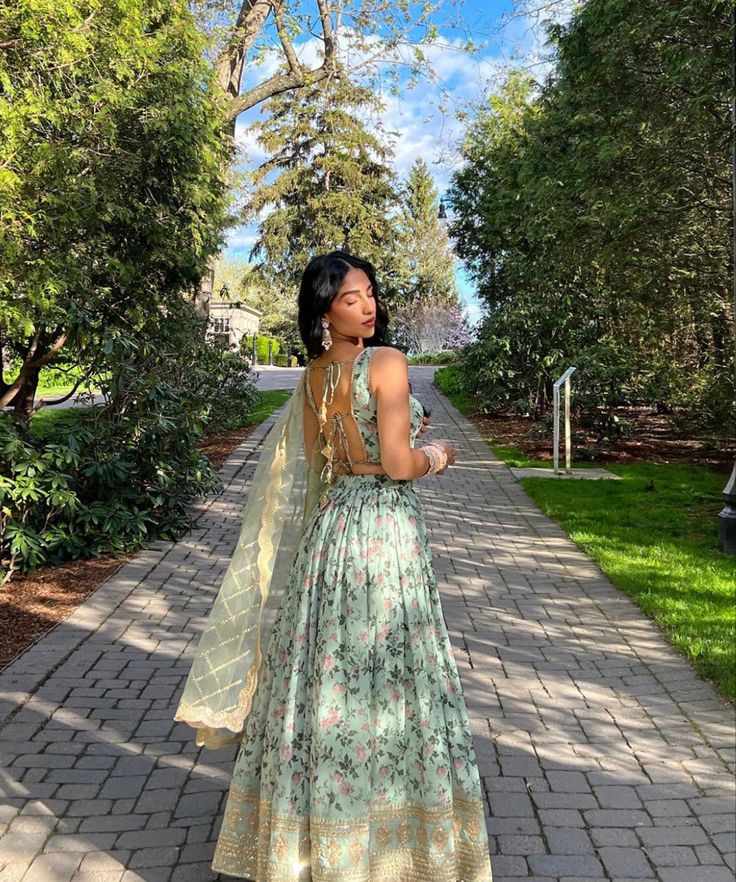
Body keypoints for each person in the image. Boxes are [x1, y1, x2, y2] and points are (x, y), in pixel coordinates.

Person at [173, 251, 494, 881]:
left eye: (370, 293)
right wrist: (442, 454)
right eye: (351, 298)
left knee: (324, 678)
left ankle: (314, 837)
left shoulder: (314, 375)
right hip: (384, 533)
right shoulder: (388, 364)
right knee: (396, 672)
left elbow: (319, 467)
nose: (368, 305)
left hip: (332, 533)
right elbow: (400, 465)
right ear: (325, 310)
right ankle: (392, 842)